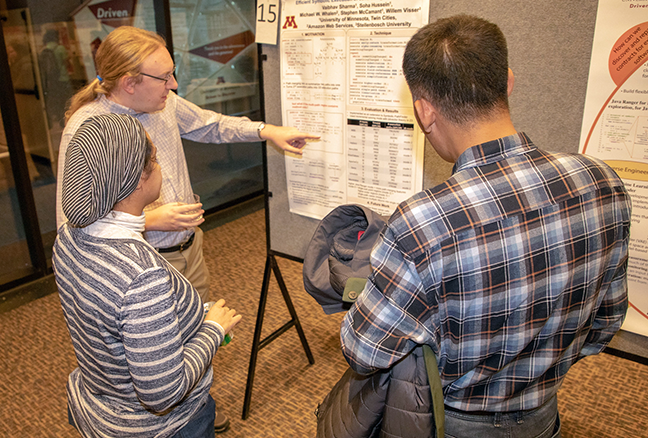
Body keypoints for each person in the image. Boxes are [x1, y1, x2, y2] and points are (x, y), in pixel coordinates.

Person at [339, 14, 631, 438]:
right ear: (508, 82)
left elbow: (364, 351)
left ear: (424, 112)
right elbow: (606, 321)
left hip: (452, 423)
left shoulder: (424, 222)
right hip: (543, 415)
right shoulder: (602, 182)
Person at [55, 25, 318, 306]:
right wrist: (150, 220)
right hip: (144, 265)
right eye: (164, 77)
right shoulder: (88, 130)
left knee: (198, 333)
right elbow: (72, 226)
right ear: (130, 83)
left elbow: (210, 125)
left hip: (190, 248)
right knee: (162, 343)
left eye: (172, 72)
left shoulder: (162, 103)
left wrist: (267, 131)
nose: (174, 84)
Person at [52, 113, 242, 437]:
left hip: (98, 407)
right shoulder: (141, 277)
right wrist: (213, 329)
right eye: (153, 159)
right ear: (137, 180)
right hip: (162, 427)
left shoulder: (68, 237)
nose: (160, 166)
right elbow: (163, 393)